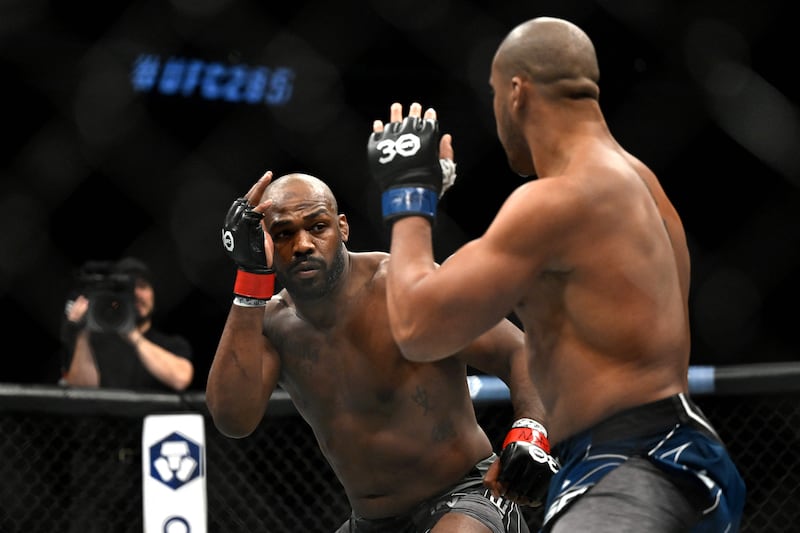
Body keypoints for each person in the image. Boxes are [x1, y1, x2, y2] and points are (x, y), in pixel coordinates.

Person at [366, 16, 745, 533]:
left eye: (494, 95)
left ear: (517, 93)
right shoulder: (640, 183)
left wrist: (408, 195)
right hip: (667, 452)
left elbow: (417, 328)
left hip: (634, 465)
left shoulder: (558, 200)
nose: (495, 114)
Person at [206, 171, 558, 532]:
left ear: (342, 228)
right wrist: (250, 278)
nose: (303, 245)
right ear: (263, 242)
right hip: (371, 523)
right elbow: (233, 420)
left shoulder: (402, 288)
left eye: (317, 227)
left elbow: (519, 352)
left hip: (466, 493)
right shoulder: (272, 324)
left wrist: (531, 430)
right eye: (283, 234)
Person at [60, 256, 194, 392]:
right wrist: (83, 331)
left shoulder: (172, 344)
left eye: (142, 286)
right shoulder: (94, 345)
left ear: (154, 294)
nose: (136, 293)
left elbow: (181, 379)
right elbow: (80, 391)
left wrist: (132, 333)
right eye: (126, 288)